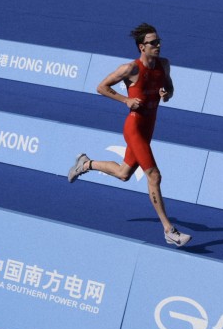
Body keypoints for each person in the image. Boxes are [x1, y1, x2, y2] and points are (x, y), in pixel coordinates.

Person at [68, 23, 192, 248]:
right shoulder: (130, 69)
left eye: (159, 41)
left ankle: (86, 164)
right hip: (134, 128)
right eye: (153, 43)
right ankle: (168, 230)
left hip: (149, 126)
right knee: (154, 176)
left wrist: (167, 94)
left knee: (124, 173)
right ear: (141, 47)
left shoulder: (164, 65)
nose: (158, 45)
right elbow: (101, 87)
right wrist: (125, 100)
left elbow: (170, 90)